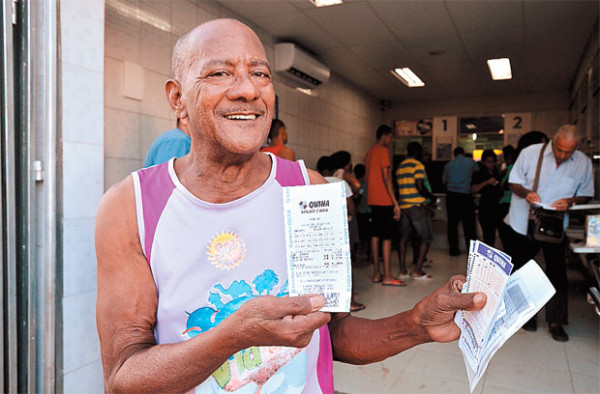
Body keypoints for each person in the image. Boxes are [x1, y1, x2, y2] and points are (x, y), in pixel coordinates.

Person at [95, 19, 486, 393]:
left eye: (260, 74)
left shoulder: (309, 189)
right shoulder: (131, 208)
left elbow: (332, 334)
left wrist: (417, 324)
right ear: (177, 98)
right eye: (220, 73)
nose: (248, 90)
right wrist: (235, 334)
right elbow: (124, 376)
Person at [506, 125, 593, 342]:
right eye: (559, 150)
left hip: (554, 224)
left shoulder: (583, 162)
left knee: (556, 272)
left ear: (576, 148)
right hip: (524, 220)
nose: (563, 155)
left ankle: (556, 321)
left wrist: (571, 202)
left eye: (568, 152)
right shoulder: (530, 153)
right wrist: (527, 193)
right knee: (523, 270)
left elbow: (586, 195)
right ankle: (525, 316)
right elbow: (513, 182)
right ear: (553, 140)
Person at [364, 125, 405, 286]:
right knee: (387, 237)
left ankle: (376, 273)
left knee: (375, 236)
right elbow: (386, 179)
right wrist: (395, 203)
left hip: (372, 200)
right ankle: (387, 275)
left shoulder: (369, 153)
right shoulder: (382, 151)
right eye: (390, 137)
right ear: (384, 136)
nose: (390, 140)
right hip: (384, 199)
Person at [396, 142, 436, 280]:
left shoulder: (400, 167)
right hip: (417, 206)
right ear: (418, 153)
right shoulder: (418, 165)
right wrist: (430, 197)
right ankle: (417, 270)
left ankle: (402, 270)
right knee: (425, 238)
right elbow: (419, 185)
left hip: (403, 206)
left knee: (403, 238)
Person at [442, 146, 479, 256]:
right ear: (463, 152)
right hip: (466, 195)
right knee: (469, 225)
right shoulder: (471, 162)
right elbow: (477, 173)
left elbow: (444, 181)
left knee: (452, 224)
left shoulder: (448, 165)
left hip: (452, 196)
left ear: (454, 154)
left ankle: (453, 250)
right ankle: (471, 251)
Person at [470, 149, 503, 246]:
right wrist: (486, 182)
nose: (492, 164)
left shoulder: (498, 173)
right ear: (484, 162)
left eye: (493, 161)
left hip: (499, 208)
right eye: (489, 162)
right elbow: (473, 189)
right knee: (489, 237)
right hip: (486, 209)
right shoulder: (479, 174)